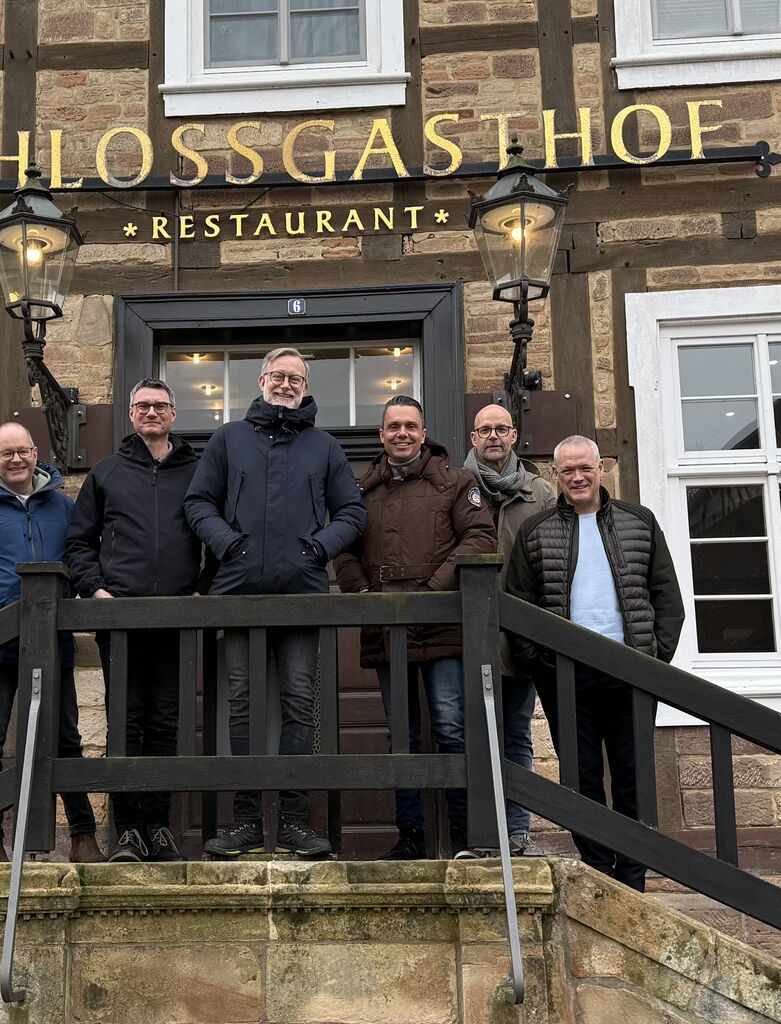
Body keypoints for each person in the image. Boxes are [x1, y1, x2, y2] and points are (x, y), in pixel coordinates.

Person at [184, 346, 366, 859]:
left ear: (306, 387)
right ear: (262, 380)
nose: (286, 384)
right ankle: (245, 819)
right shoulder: (228, 439)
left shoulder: (324, 446)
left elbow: (352, 513)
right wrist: (230, 544)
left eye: (296, 378)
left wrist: (317, 549)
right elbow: (198, 503)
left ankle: (291, 820)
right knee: (241, 703)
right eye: (278, 376)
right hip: (238, 592)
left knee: (299, 702)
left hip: (302, 595)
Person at [502, 435, 684, 890]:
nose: (578, 477)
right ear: (556, 475)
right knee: (579, 779)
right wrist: (540, 664)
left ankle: (632, 874)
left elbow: (666, 596)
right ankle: (599, 869)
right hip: (565, 676)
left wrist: (655, 658)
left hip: (631, 672)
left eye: (585, 467)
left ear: (601, 469)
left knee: (632, 775)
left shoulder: (639, 521)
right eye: (568, 470)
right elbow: (518, 603)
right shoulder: (536, 530)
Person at [0, 422, 102, 863]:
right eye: (5, 453)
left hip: (53, 642)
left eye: (22, 451)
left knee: (67, 738)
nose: (15, 460)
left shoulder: (62, 507)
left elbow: (81, 558)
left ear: (35, 453)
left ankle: (83, 836)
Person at [335, 395, 495, 858]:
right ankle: (411, 835)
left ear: (423, 434)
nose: (402, 433)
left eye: (410, 426)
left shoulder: (457, 481)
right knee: (401, 736)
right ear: (381, 435)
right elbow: (343, 550)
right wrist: (364, 595)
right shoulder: (361, 490)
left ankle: (465, 835)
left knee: (450, 726)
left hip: (441, 624)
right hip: (386, 627)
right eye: (393, 427)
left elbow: (479, 537)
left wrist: (430, 592)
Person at [65, 378, 203, 863]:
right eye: (142, 405)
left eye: (160, 406)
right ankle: (128, 831)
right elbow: (79, 543)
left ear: (173, 413)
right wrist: (96, 590)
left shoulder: (198, 472)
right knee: (125, 723)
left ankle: (158, 828)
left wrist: (203, 588)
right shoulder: (106, 472)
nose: (151, 412)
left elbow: (218, 532)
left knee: (165, 723)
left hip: (175, 619)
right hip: (120, 618)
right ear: (130, 414)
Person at [466, 400, 558, 855]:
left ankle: (518, 830)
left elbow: (557, 561)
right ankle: (477, 831)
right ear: (473, 438)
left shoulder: (542, 494)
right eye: (485, 430)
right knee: (467, 734)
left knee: (517, 735)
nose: (494, 437)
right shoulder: (456, 486)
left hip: (521, 639)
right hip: (466, 636)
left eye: (502, 429)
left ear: (514, 436)